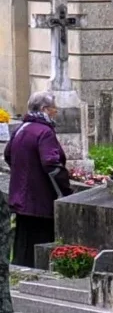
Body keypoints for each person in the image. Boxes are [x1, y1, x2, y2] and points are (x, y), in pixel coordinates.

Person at [4, 91, 72, 267]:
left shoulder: (21, 129)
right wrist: (65, 191)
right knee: (40, 241)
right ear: (44, 109)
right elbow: (51, 164)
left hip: (20, 198)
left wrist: (22, 174)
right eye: (53, 109)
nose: (55, 112)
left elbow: (8, 155)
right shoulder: (45, 132)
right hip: (39, 199)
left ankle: (20, 271)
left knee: (23, 242)